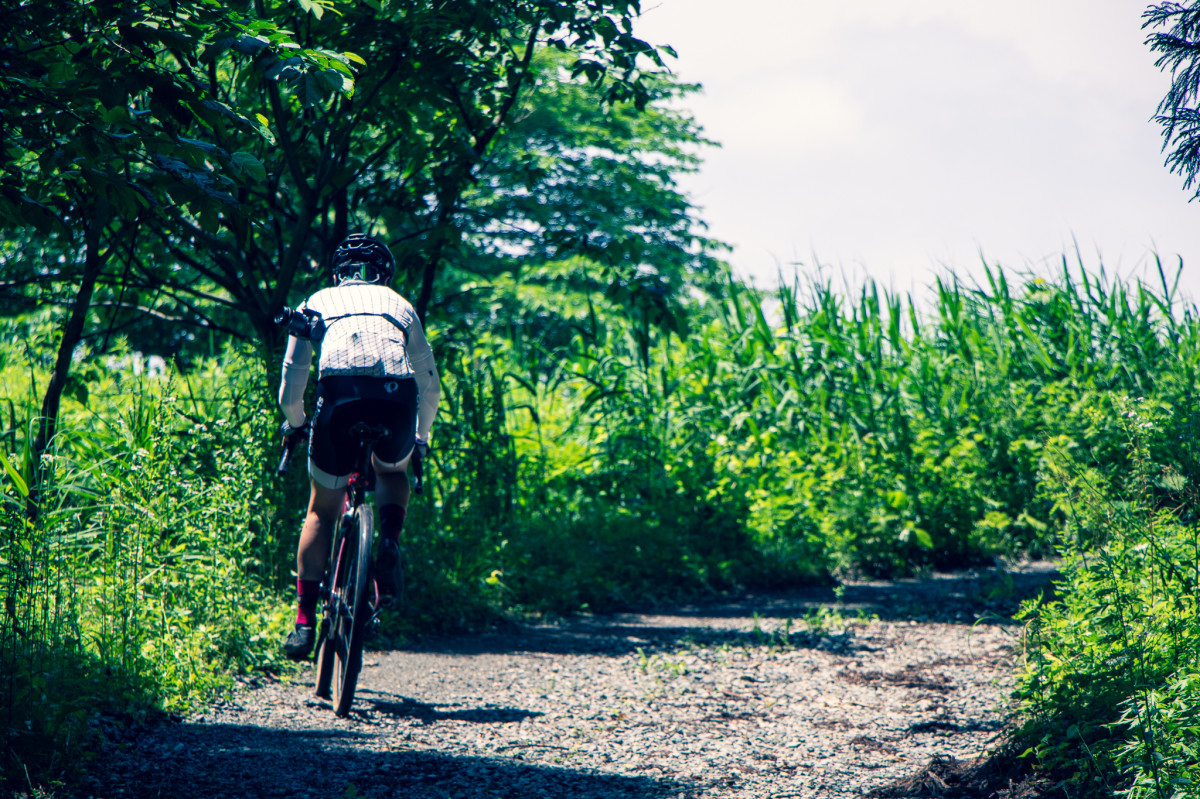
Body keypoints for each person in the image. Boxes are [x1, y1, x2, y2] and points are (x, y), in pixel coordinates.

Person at [277, 233, 440, 660]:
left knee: (321, 510)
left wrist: (295, 425)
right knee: (391, 470)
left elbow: (292, 383)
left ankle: (304, 621)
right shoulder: (400, 305)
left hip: (339, 398)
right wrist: (419, 440)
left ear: (337, 273)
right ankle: (388, 539)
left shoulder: (316, 301)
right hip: (397, 400)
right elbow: (430, 385)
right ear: (384, 274)